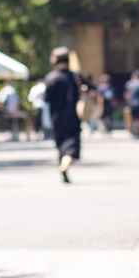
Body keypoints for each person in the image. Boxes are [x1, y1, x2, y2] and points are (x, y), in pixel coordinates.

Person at [41, 47, 84, 183]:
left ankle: (63, 164)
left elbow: (46, 98)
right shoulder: (75, 77)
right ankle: (65, 164)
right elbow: (87, 90)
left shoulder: (51, 77)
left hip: (56, 117)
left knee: (61, 145)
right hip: (72, 116)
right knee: (71, 145)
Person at [124, 70, 139, 140]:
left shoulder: (129, 83)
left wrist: (127, 102)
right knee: (138, 119)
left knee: (131, 118)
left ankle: (132, 132)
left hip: (131, 103)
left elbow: (126, 95)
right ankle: (137, 133)